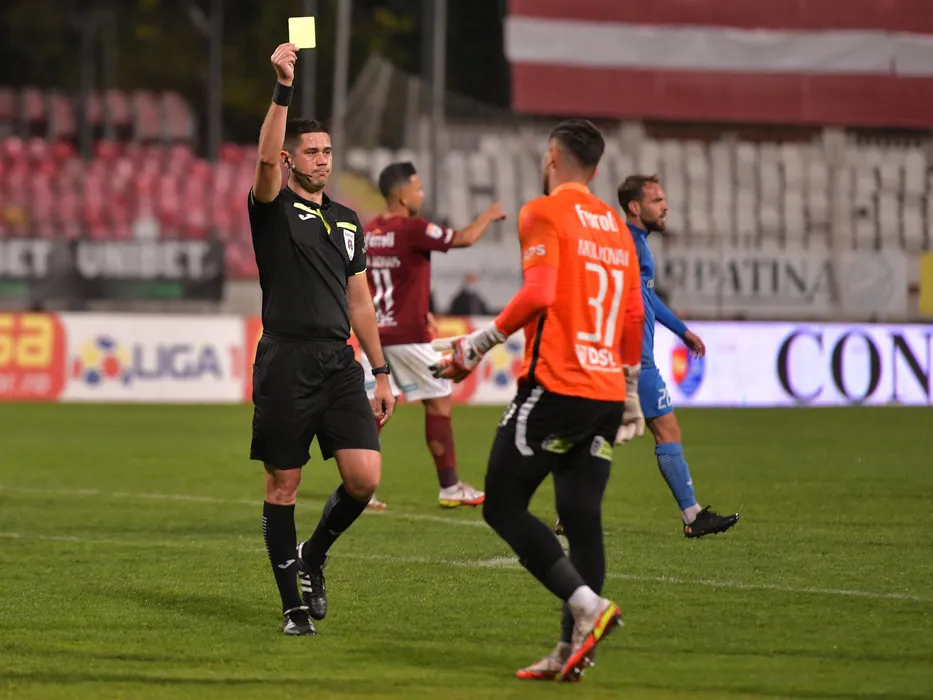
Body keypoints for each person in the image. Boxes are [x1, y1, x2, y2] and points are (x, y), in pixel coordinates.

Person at [430, 119, 646, 682]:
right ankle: (570, 652)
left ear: (553, 156)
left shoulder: (543, 211)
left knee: (502, 505)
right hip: (605, 391)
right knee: (581, 518)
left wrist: (477, 345)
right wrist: (630, 390)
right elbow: (633, 315)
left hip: (556, 386)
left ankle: (588, 607)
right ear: (596, 169)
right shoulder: (619, 229)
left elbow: (540, 292)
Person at [248, 42, 396, 637]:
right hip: (285, 360)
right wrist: (283, 86)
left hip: (339, 363)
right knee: (283, 484)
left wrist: (382, 372)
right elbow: (263, 159)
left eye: (328, 151)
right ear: (290, 159)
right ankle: (292, 608)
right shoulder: (272, 206)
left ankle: (313, 555)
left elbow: (360, 301)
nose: (323, 160)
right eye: (311, 151)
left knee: (364, 477)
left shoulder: (348, 219)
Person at [359, 162, 506, 510]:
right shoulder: (414, 228)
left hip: (375, 334)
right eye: (418, 188)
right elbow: (464, 238)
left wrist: (417, 308)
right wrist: (488, 216)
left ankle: (360, 489)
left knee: (377, 410)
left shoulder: (370, 230)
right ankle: (450, 486)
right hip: (408, 337)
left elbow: (382, 280)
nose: (422, 195)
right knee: (439, 402)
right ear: (402, 195)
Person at [615, 174, 740, 538]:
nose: (665, 206)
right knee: (663, 429)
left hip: (627, 358)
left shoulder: (635, 243)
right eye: (656, 201)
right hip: (633, 360)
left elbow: (646, 298)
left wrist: (681, 330)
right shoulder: (630, 245)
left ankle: (567, 512)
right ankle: (692, 516)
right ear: (635, 207)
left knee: (594, 434)